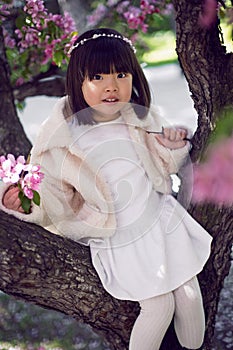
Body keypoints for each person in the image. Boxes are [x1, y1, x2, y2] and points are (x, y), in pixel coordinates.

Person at [1, 28, 212, 350]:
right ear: (78, 82)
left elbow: (163, 165)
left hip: (159, 221)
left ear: (134, 77)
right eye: (97, 77)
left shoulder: (140, 117)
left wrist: (172, 147)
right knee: (158, 306)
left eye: (121, 74)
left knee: (188, 295)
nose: (111, 86)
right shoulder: (63, 135)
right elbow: (55, 194)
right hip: (120, 234)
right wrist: (23, 203)